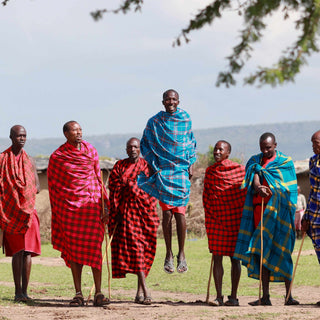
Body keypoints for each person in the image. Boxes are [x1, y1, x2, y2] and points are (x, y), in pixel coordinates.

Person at [47, 121, 109, 307]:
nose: (79, 133)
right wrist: (59, 210)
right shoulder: (58, 156)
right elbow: (54, 185)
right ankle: (78, 293)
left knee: (95, 251)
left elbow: (99, 179)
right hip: (70, 211)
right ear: (66, 133)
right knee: (74, 253)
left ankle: (98, 292)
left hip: (91, 208)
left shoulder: (91, 151)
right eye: (75, 130)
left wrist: (105, 206)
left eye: (80, 129)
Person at [234, 132, 299, 306]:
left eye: (268, 148)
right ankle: (265, 297)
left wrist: (273, 192)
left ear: (275, 145)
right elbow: (253, 179)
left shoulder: (285, 163)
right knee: (261, 252)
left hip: (280, 216)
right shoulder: (256, 161)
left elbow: (289, 191)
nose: (265, 151)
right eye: (262, 148)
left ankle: (289, 296)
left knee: (283, 252)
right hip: (259, 213)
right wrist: (258, 187)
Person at [138, 89, 197, 274]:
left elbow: (191, 142)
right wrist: (153, 164)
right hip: (163, 171)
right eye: (167, 99)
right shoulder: (155, 122)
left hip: (181, 171)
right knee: (167, 215)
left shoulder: (185, 119)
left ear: (178, 101)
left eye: (174, 99)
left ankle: (181, 254)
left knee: (180, 214)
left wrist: (191, 163)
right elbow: (144, 144)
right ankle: (168, 254)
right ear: (163, 102)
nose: (171, 102)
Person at [108, 137, 159, 305]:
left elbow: (153, 189)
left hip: (146, 215)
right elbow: (113, 187)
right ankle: (146, 290)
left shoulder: (147, 167)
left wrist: (132, 186)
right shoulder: (119, 166)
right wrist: (128, 185)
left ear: (140, 149)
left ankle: (138, 293)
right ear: (126, 150)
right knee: (137, 249)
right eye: (129, 147)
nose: (133, 150)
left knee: (144, 250)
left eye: (135, 147)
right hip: (127, 214)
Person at [0, 125, 41, 302]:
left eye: (24, 136)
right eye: (18, 136)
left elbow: (38, 186)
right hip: (10, 213)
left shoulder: (30, 160)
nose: (22, 139)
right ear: (11, 137)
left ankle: (25, 291)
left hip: (29, 212)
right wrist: (12, 196)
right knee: (18, 251)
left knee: (28, 253)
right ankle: (17, 292)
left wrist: (26, 193)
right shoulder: (2, 159)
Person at [203, 140, 246, 306]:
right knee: (217, 257)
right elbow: (206, 196)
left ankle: (233, 297)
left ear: (228, 153)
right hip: (216, 220)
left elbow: (245, 193)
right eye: (215, 149)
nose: (217, 152)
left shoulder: (239, 170)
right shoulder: (210, 172)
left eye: (221, 149)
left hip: (235, 220)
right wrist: (209, 216)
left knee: (235, 259)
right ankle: (219, 296)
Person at [302, 130, 320, 306]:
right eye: (312, 143)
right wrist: (306, 216)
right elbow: (313, 191)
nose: (314, 146)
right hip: (315, 215)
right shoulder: (313, 161)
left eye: (317, 143)